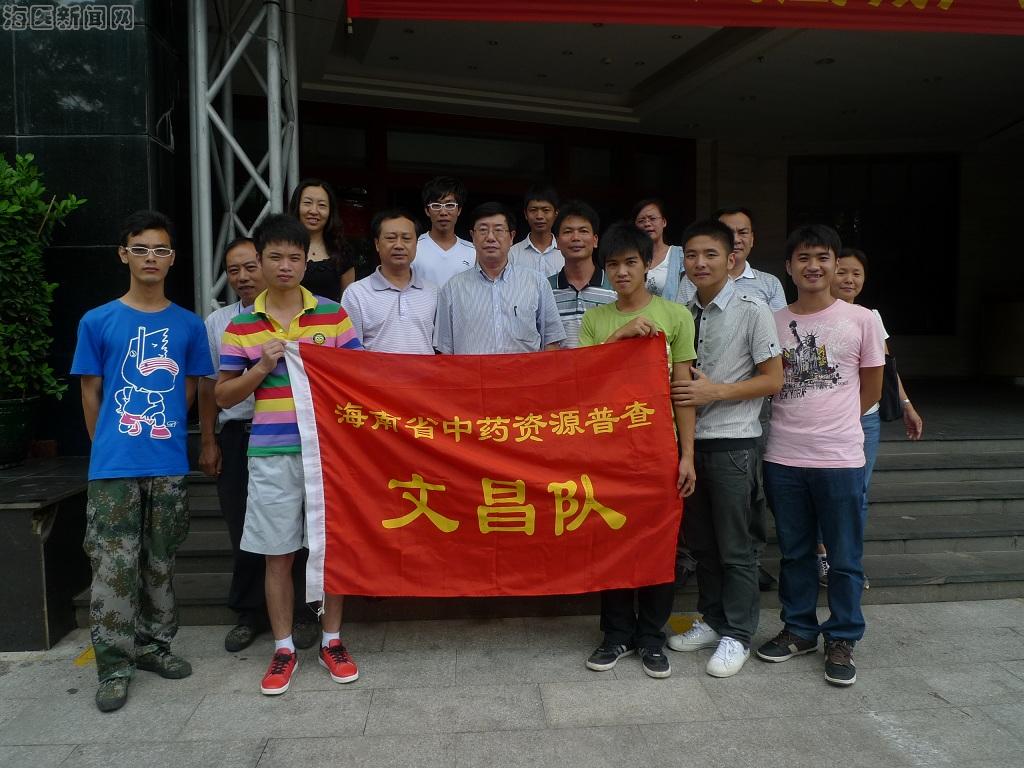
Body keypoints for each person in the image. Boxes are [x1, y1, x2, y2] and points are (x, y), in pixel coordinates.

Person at [71, 210, 214, 712]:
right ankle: (114, 666)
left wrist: (164, 426)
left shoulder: (189, 325)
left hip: (167, 461)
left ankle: (155, 646)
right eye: (141, 249)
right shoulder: (97, 320)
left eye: (160, 250)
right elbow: (90, 393)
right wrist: (106, 444)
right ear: (123, 254)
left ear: (172, 259)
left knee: (160, 558)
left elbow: (191, 389)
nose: (151, 258)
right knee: (113, 564)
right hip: (113, 465)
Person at [216, 214, 363, 696]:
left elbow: (360, 379)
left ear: (306, 262)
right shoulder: (241, 325)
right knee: (277, 555)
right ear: (259, 261)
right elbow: (223, 396)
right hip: (271, 454)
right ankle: (283, 649)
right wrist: (261, 367)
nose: (285, 265)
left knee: (332, 549)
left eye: (294, 258)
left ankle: (332, 640)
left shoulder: (333, 315)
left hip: (329, 455)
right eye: (275, 257)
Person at [755, 224, 884, 688]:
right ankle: (799, 630)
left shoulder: (862, 319)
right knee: (795, 553)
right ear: (788, 267)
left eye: (822, 257)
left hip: (840, 457)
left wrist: (836, 424)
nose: (813, 266)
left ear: (834, 264)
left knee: (845, 557)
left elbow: (872, 389)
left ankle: (843, 636)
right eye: (804, 258)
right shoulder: (770, 321)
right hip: (783, 456)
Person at [579, 222, 697, 680]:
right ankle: (615, 634)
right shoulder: (595, 320)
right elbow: (582, 383)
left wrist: (687, 455)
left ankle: (651, 636)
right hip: (608, 450)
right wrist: (620, 337)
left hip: (658, 447)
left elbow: (682, 391)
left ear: (648, 264)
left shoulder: (676, 316)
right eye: (613, 264)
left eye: (631, 262)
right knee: (610, 541)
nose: (622, 272)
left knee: (657, 543)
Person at [666, 219, 783, 678]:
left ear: (731, 258)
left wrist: (715, 391)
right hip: (688, 444)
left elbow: (773, 379)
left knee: (737, 547)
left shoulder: (753, 309)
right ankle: (713, 620)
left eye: (711, 254)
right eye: (692, 255)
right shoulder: (680, 310)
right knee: (703, 545)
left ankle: (738, 633)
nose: (701, 263)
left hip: (733, 443)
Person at [197, 240, 321, 654]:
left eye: (249, 266)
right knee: (253, 534)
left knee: (308, 536)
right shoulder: (224, 323)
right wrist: (209, 439)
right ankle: (250, 615)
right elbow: (213, 389)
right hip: (245, 436)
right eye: (234, 270)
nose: (244, 276)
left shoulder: (323, 315)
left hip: (307, 440)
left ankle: (305, 615)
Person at [816, 247, 924, 586]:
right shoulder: (812, 316)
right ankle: (822, 556)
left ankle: (847, 561)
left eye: (856, 273)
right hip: (826, 419)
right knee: (822, 489)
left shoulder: (870, 317)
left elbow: (886, 370)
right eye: (843, 271)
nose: (849, 279)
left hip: (866, 418)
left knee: (858, 493)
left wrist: (906, 404)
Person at [433, 202, 566, 354]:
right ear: (472, 237)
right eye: (483, 230)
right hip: (472, 371)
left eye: (498, 230)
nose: (490, 237)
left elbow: (552, 341)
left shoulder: (537, 283)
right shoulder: (453, 288)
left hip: (524, 370)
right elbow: (445, 351)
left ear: (512, 237)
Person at [341, 209, 438, 354]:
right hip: (375, 370)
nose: (399, 245)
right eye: (391, 238)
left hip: (425, 370)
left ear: (416, 244)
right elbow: (349, 352)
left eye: (406, 238)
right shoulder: (356, 293)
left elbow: (441, 348)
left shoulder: (433, 292)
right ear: (377, 244)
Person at [548, 200, 615, 348]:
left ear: (595, 240)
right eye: (568, 232)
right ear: (557, 242)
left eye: (583, 231)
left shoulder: (615, 286)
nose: (576, 238)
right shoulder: (545, 289)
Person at [288, 178, 355, 301]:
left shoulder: (341, 250)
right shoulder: (281, 246)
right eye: (307, 203)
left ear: (330, 211)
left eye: (322, 205)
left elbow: (348, 302)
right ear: (296, 206)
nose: (314, 211)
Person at [413, 176, 476, 288]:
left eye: (450, 205)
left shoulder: (473, 252)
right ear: (427, 210)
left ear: (459, 210)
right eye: (436, 206)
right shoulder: (413, 247)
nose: (443, 212)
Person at [631, 198, 684, 302]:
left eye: (652, 218)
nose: (647, 224)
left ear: (664, 222)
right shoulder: (627, 256)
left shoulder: (680, 256)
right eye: (641, 221)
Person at [508, 184, 563, 278]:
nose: (539, 216)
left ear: (556, 214)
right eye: (533, 210)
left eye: (546, 210)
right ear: (525, 214)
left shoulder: (566, 253)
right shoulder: (512, 254)